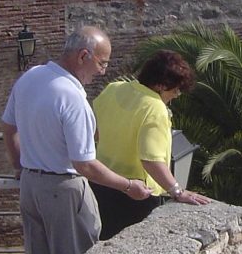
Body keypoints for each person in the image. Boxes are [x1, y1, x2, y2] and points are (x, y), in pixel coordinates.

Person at [1, 26, 151, 254]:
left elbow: (8, 125)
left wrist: (19, 165)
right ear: (84, 56)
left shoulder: (31, 76)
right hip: (63, 190)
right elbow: (85, 165)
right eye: (102, 63)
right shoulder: (72, 97)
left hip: (30, 186)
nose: (103, 71)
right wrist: (128, 186)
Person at [90, 49, 210, 240]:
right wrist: (178, 191)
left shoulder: (113, 88)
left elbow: (95, 132)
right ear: (161, 85)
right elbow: (151, 160)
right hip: (134, 195)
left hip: (99, 183)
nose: (177, 95)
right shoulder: (155, 108)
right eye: (176, 89)